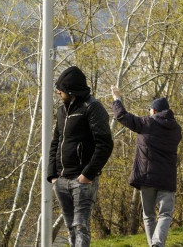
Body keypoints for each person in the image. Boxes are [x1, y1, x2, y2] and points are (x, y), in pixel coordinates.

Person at [47, 66, 114, 247]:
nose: (58, 92)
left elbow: (105, 144)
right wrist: (52, 175)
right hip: (61, 179)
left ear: (70, 89)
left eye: (61, 89)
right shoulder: (62, 111)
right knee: (70, 227)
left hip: (82, 180)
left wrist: (88, 174)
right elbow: (56, 142)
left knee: (80, 226)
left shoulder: (92, 107)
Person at [111, 87, 182, 247]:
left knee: (149, 215)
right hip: (167, 179)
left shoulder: (147, 123)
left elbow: (122, 116)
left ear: (154, 110)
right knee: (165, 214)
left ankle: (154, 244)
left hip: (147, 177)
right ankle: (157, 243)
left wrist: (117, 99)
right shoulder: (176, 129)